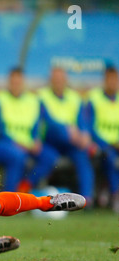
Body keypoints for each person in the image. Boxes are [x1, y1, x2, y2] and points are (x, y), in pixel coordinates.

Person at [0, 67, 58, 192]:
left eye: (18, 82)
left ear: (23, 82)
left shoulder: (34, 101)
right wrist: (18, 143)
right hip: (6, 143)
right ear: (9, 83)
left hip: (29, 144)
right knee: (17, 155)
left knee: (50, 156)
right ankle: (9, 199)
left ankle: (25, 186)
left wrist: (37, 140)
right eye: (13, 82)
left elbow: (41, 124)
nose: (16, 85)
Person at [39, 67, 95, 204]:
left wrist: (85, 134)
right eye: (55, 79)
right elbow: (47, 120)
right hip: (50, 140)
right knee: (54, 145)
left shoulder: (74, 97)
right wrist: (67, 130)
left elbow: (82, 121)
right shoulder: (42, 96)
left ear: (65, 80)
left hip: (72, 143)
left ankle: (86, 200)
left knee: (83, 156)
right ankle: (27, 192)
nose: (58, 82)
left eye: (61, 79)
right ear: (50, 81)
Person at [85, 66, 119, 212]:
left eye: (115, 79)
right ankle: (116, 195)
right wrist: (109, 143)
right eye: (109, 79)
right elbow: (90, 128)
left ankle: (107, 190)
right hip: (102, 146)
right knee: (110, 158)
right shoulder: (94, 99)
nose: (112, 83)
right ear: (104, 81)